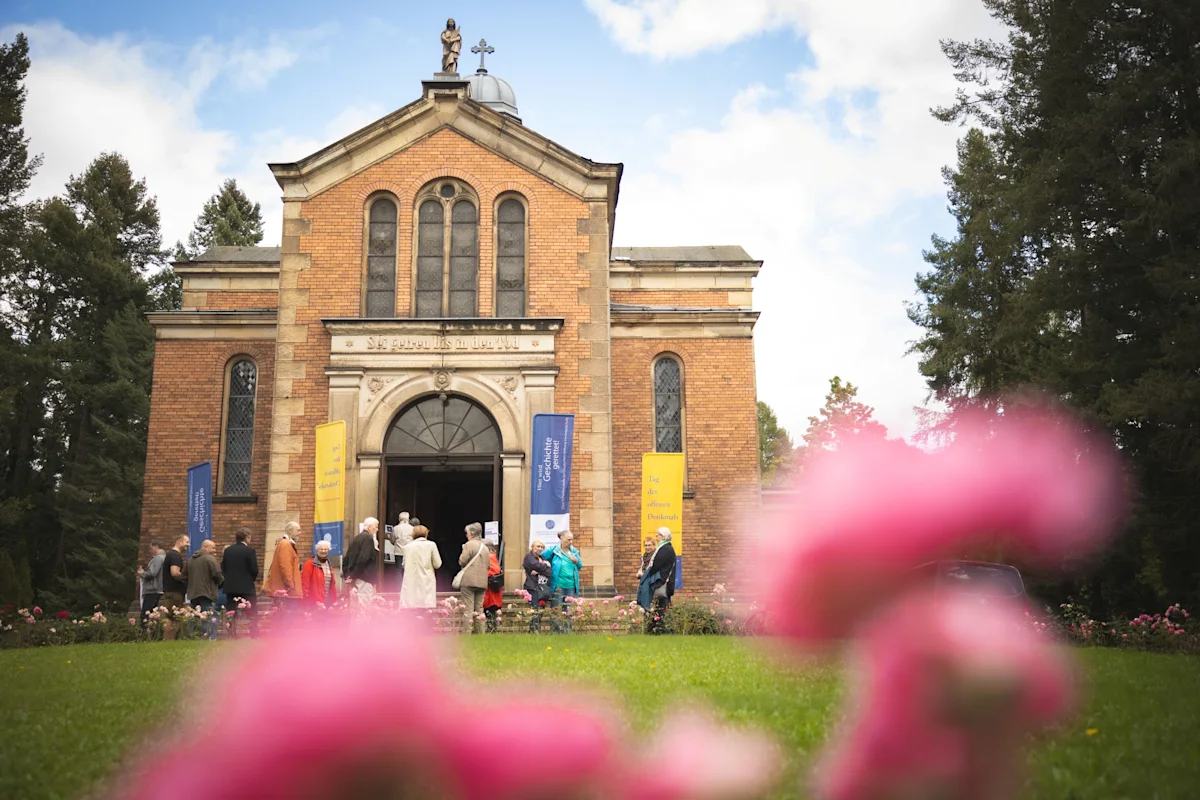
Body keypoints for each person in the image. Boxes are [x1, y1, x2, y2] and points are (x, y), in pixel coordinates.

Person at [542, 532, 582, 633]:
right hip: (558, 585)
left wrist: (576, 561)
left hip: (571, 586)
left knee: (568, 610)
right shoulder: (554, 550)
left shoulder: (573, 551)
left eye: (572, 539)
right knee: (556, 609)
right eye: (568, 539)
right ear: (561, 538)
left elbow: (580, 566)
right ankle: (555, 631)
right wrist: (545, 563)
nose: (571, 542)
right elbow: (542, 556)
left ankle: (567, 631)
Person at [221, 528, 259, 637]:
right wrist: (250, 579)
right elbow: (254, 569)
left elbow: (223, 568)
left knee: (231, 611)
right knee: (252, 610)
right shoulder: (249, 551)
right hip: (246, 586)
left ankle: (232, 631)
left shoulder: (228, 551)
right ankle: (254, 632)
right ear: (247, 538)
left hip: (231, 587)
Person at [641, 527, 677, 635]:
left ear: (663, 536)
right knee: (658, 607)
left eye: (658, 535)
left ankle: (661, 630)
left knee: (660, 607)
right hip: (661, 582)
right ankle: (654, 630)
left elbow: (656, 566)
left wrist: (646, 574)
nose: (656, 537)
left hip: (662, 583)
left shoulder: (665, 549)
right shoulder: (664, 548)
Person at [187, 539, 224, 638]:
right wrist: (220, 582)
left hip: (193, 593)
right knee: (209, 615)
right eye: (213, 548)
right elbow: (217, 574)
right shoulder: (210, 559)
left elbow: (184, 575)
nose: (215, 550)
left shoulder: (190, 560)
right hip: (207, 593)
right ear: (206, 547)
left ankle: (193, 636)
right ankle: (209, 636)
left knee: (194, 616)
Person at [457, 522, 489, 634]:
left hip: (469, 581)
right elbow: (488, 565)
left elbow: (462, 560)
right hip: (482, 581)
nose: (466, 535)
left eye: (467, 533)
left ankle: (467, 633)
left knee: (468, 609)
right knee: (479, 608)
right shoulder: (485, 547)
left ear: (472, 533)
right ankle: (480, 633)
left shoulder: (469, 545)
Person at [399, 525, 441, 610]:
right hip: (426, 580)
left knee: (411, 607)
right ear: (426, 534)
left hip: (411, 580)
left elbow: (404, 564)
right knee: (425, 607)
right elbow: (437, 564)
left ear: (413, 535)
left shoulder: (408, 547)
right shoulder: (431, 545)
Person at [262, 523, 304, 608]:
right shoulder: (285, 544)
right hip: (286, 592)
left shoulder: (286, 544)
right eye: (298, 530)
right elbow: (285, 567)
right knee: (288, 614)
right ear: (290, 530)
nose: (300, 533)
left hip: (285, 590)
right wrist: (291, 586)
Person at [343, 518, 379, 608]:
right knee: (364, 607)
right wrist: (353, 575)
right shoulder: (368, 538)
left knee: (355, 607)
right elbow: (364, 558)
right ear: (369, 527)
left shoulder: (356, 538)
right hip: (364, 577)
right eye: (375, 527)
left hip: (356, 578)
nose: (377, 529)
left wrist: (348, 574)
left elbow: (346, 558)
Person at [160, 535, 190, 640]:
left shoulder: (172, 554)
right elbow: (175, 573)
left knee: (175, 617)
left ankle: (171, 640)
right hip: (174, 591)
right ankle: (167, 640)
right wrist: (186, 578)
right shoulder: (175, 556)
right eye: (187, 542)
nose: (188, 545)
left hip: (172, 591)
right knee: (172, 617)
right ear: (180, 542)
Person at [522, 540, 552, 633]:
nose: (540, 548)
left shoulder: (542, 558)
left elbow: (549, 572)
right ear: (532, 547)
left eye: (542, 547)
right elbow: (535, 565)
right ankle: (535, 630)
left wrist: (539, 570)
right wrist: (545, 565)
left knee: (541, 610)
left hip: (543, 588)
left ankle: (533, 630)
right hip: (533, 587)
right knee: (535, 609)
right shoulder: (529, 557)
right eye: (538, 546)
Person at [302, 540, 338, 608]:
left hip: (328, 601)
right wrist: (307, 599)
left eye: (325, 549)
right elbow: (305, 582)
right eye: (321, 549)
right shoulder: (310, 563)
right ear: (317, 550)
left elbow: (332, 584)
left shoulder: (329, 564)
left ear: (328, 550)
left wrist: (334, 600)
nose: (323, 551)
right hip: (315, 602)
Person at [137, 541, 165, 627]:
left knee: (146, 614)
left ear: (156, 547)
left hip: (152, 589)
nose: (150, 550)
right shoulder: (164, 557)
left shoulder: (157, 558)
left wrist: (142, 573)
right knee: (153, 615)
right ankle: (154, 632)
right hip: (158, 589)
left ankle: (145, 633)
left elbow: (152, 573)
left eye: (151, 548)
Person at [483, 542, 503, 633]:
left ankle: (491, 629)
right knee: (490, 611)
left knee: (490, 610)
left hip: (491, 590)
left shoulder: (490, 557)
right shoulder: (491, 556)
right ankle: (491, 629)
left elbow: (495, 570)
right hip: (491, 589)